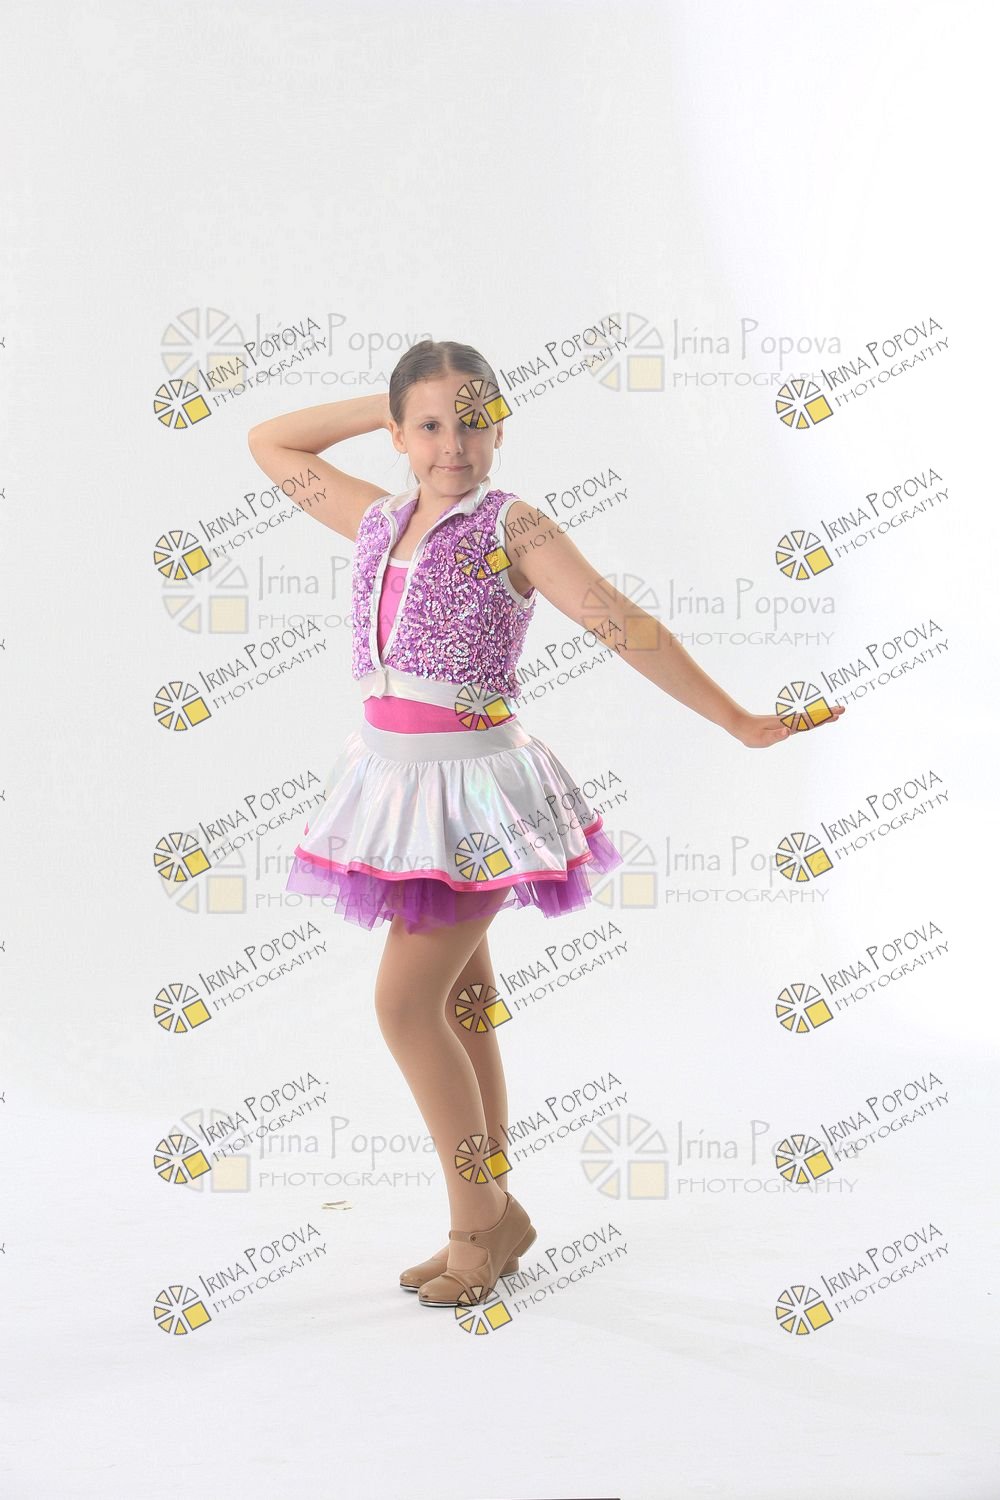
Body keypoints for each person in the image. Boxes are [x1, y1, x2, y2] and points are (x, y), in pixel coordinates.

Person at [247, 339, 844, 1311]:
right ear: (398, 433)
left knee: (404, 1007)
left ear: (501, 428)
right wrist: (389, 402)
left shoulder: (512, 527)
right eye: (430, 426)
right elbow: (271, 442)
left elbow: (620, 620)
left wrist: (736, 718)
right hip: (395, 790)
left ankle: (473, 1224)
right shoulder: (376, 519)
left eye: (474, 422)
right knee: (463, 1002)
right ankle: (495, 1215)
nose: (454, 445)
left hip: (478, 796)